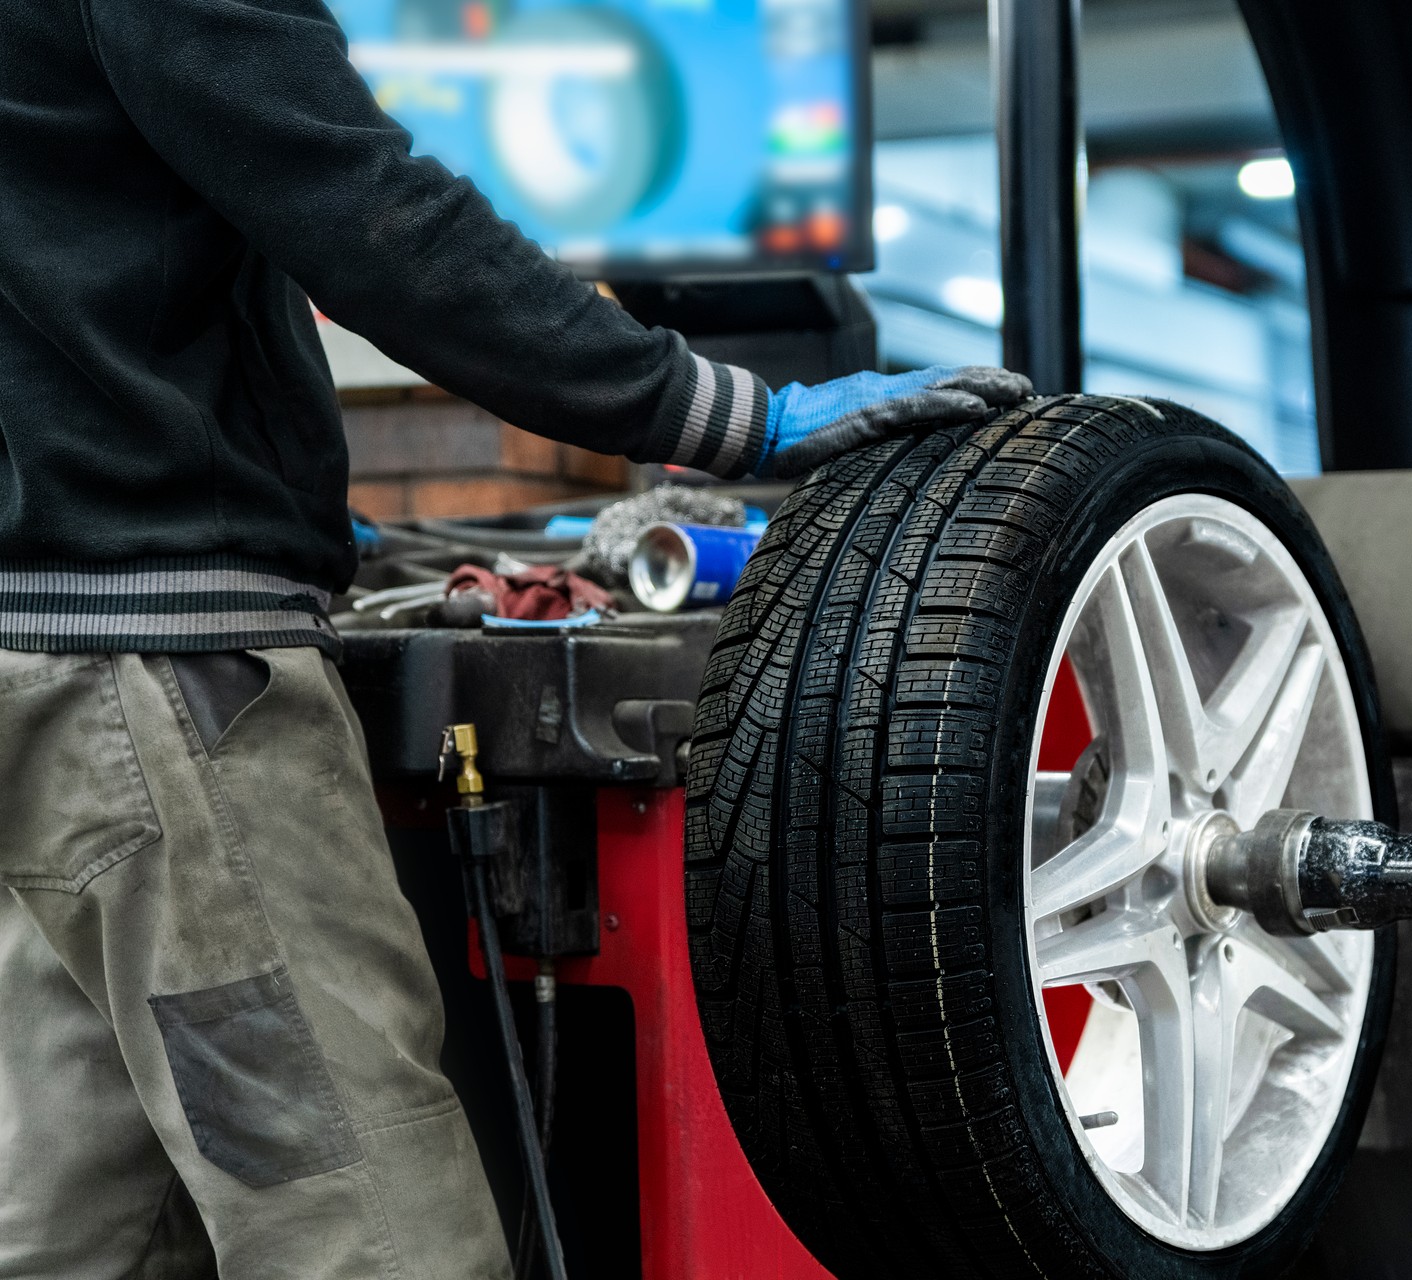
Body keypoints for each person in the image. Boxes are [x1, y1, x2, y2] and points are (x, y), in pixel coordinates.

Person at [0, 0, 1031, 1274]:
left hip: (41, 686)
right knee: (371, 1228)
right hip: (168, 695)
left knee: (76, 1226)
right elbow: (372, 217)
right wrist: (719, 413)